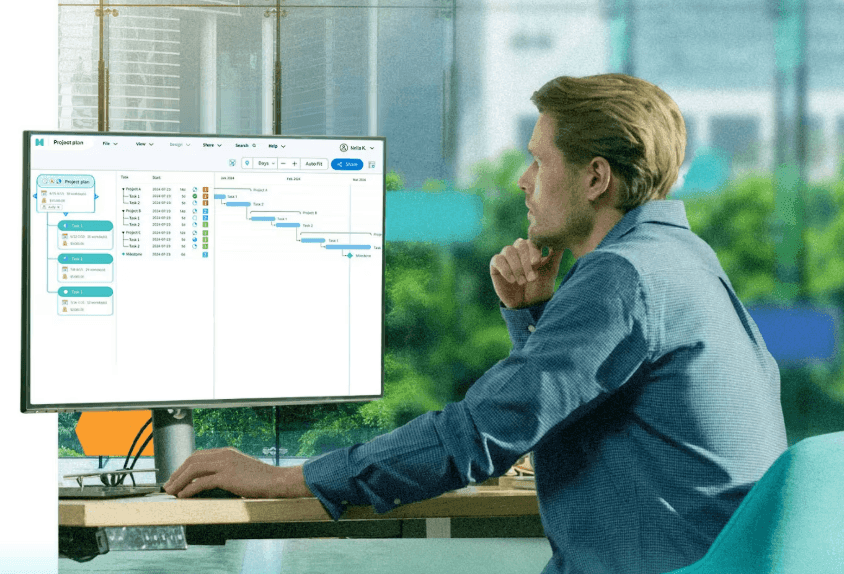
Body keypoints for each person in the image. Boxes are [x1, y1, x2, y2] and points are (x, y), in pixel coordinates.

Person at [164, 74, 788, 574]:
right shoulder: (682, 258)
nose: (523, 181)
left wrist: (287, 476)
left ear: (595, 177)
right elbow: (581, 409)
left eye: (539, 162)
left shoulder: (622, 276)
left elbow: (478, 437)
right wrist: (534, 317)